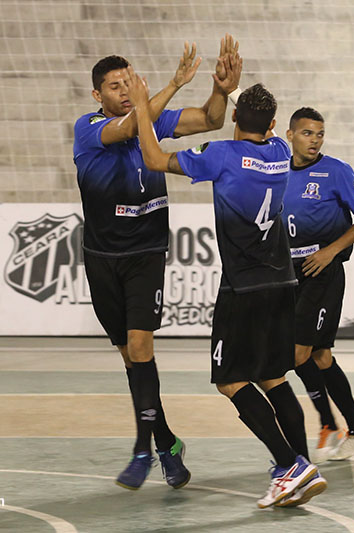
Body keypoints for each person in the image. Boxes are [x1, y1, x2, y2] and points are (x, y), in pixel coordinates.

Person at [127, 61, 325, 508]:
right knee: (274, 376)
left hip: (243, 288)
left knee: (232, 381)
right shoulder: (278, 151)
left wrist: (142, 108)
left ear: (235, 119)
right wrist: (232, 91)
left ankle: (290, 465)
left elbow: (154, 158)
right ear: (275, 125)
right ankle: (300, 464)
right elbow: (254, 121)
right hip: (282, 282)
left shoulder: (221, 156)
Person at [72, 36, 240, 492]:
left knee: (141, 347)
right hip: (102, 257)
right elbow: (128, 127)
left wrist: (220, 89)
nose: (123, 90)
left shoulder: (151, 116)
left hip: (145, 252)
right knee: (131, 356)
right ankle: (166, 442)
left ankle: (143, 449)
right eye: (113, 85)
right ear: (97, 95)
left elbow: (210, 119)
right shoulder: (87, 127)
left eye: (128, 82)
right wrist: (169, 85)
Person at [282, 107, 354, 462]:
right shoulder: (279, 169)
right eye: (307, 133)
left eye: (319, 134)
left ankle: (327, 423)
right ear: (290, 135)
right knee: (319, 356)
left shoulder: (335, 171)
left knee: (297, 354)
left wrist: (330, 251)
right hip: (289, 272)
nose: (315, 140)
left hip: (323, 273)